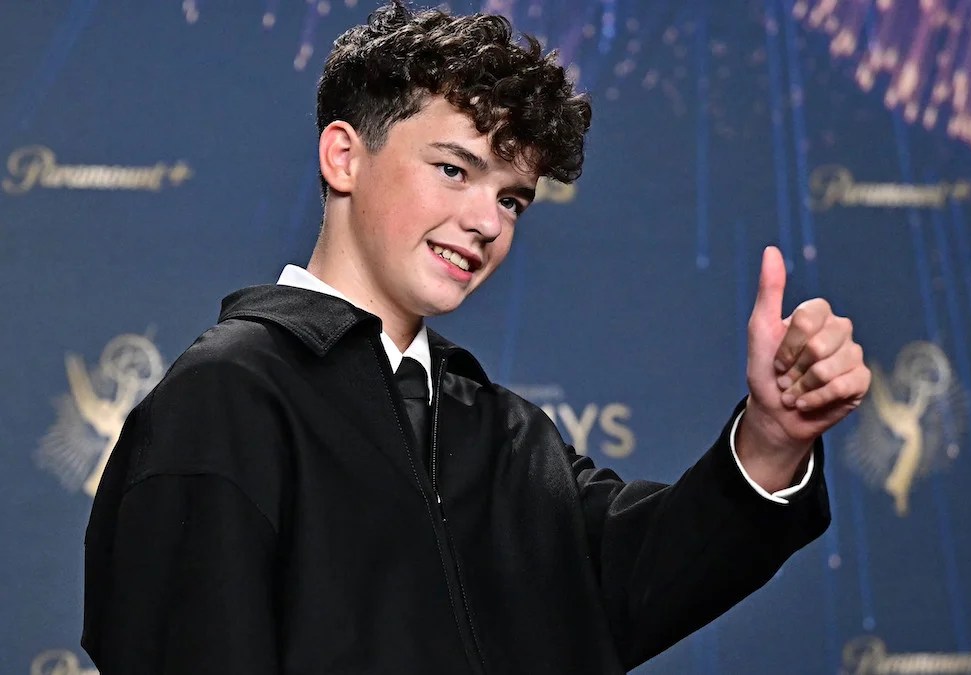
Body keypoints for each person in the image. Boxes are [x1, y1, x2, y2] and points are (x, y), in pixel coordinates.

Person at [82, 2, 870, 673]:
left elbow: (642, 577)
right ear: (344, 155)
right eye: (455, 171)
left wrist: (772, 436)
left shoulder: (506, 432)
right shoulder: (225, 395)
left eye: (515, 198)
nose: (488, 222)